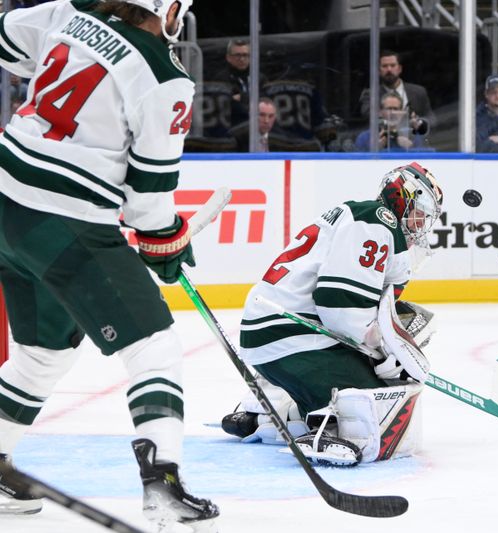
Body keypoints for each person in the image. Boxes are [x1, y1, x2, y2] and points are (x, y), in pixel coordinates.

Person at [0, 1, 219, 529]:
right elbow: (147, 200)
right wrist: (167, 240)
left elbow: (8, 40)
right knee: (155, 345)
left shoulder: (68, 12)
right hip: (64, 217)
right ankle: (162, 484)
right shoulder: (166, 77)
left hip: (7, 199)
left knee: (41, 354)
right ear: (167, 11)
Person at [221, 163, 443, 466]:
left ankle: (266, 413)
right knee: (378, 401)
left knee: (368, 377)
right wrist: (381, 351)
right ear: (403, 196)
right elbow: (339, 304)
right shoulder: (378, 221)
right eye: (421, 210)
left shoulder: (362, 217)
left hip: (271, 335)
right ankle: (328, 426)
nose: (421, 222)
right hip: (294, 338)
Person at [358, 50, 435, 130]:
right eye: (384, 66)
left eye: (393, 65)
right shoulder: (371, 94)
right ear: (379, 71)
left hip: (414, 139)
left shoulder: (419, 92)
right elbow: (368, 115)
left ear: (400, 69)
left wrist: (419, 123)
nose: (389, 70)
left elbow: (431, 118)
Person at [210, 38, 267, 128]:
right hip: (231, 126)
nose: (242, 59)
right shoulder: (221, 79)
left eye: (245, 55)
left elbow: (266, 101)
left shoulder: (259, 78)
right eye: (237, 55)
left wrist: (242, 97)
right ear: (228, 58)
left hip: (257, 125)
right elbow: (222, 104)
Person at [354, 92, 429, 151]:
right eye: (389, 109)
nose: (392, 113)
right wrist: (374, 149)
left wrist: (411, 148)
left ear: (402, 112)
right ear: (380, 112)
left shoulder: (413, 137)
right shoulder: (365, 137)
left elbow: (423, 161)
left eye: (396, 109)